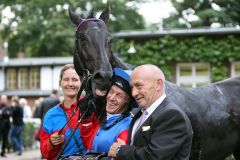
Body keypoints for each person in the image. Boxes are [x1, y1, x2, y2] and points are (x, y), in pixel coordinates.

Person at [108, 64, 193, 160]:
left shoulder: (172, 115)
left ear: (158, 84)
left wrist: (120, 150)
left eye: (139, 86)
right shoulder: (141, 113)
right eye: (132, 88)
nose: (134, 93)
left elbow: (153, 157)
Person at [81, 68, 134, 155]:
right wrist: (86, 120)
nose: (112, 98)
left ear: (128, 102)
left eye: (119, 95)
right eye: (111, 91)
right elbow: (89, 147)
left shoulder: (126, 128)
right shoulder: (104, 118)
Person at [40, 64, 87, 159]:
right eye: (66, 79)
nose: (70, 84)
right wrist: (51, 142)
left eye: (75, 79)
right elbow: (45, 153)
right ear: (60, 83)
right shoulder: (51, 115)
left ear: (82, 82)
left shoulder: (90, 110)